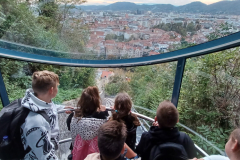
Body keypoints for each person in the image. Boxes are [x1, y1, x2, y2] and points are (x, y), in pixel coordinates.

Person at [20, 70, 72, 159]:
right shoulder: (35, 121)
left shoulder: (40, 102)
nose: (57, 89)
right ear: (51, 90)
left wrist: (63, 108)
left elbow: (50, 107)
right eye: (57, 86)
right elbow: (45, 156)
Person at [70, 86, 109, 160]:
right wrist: (104, 112)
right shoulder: (102, 117)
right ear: (96, 101)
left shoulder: (74, 116)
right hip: (95, 156)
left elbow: (70, 129)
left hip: (78, 154)